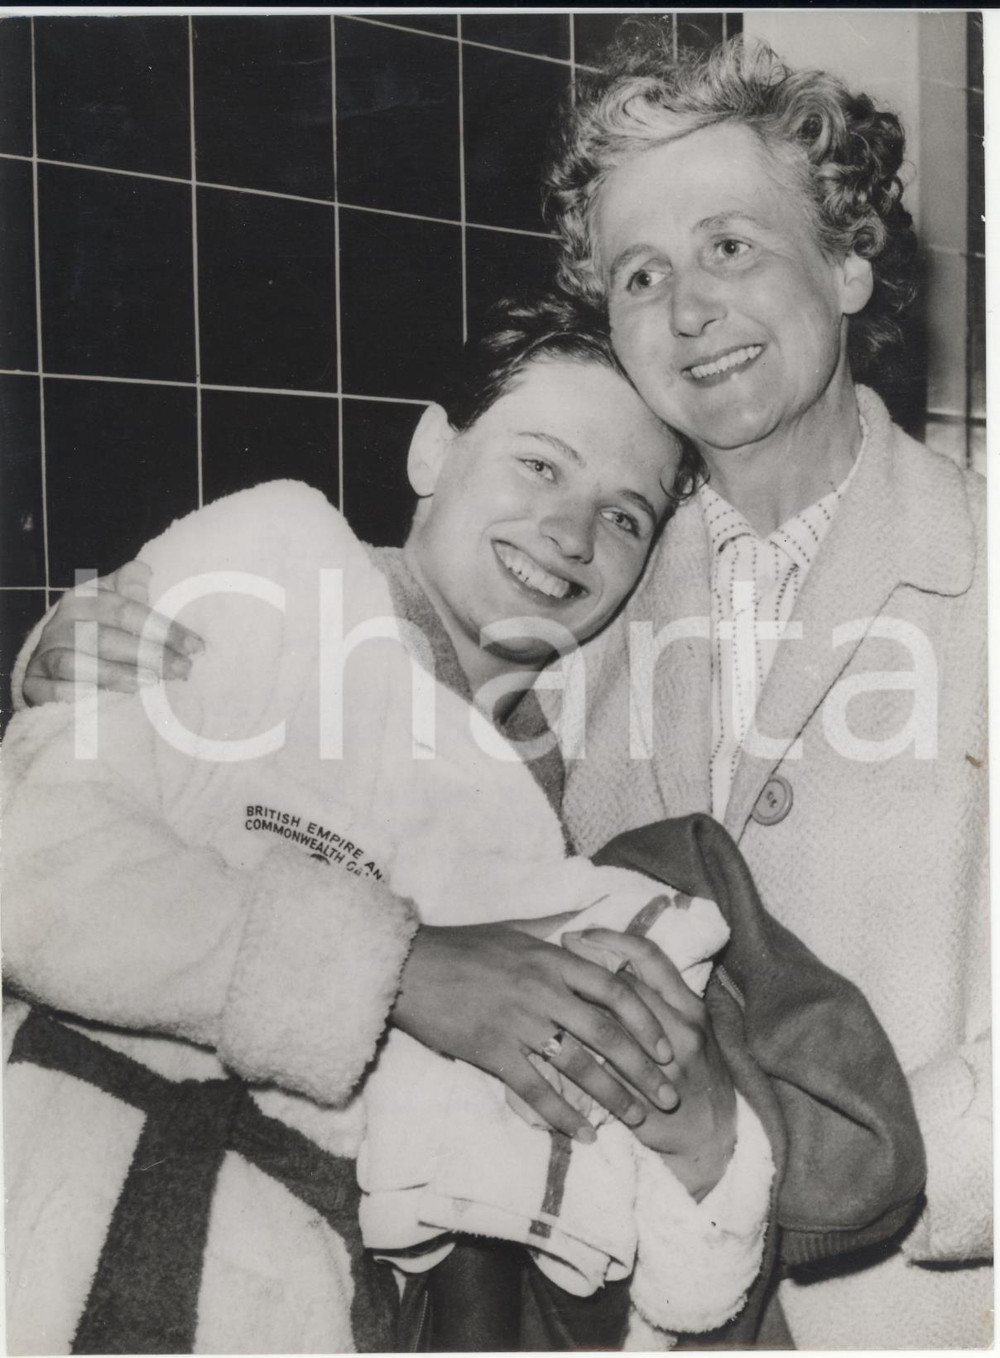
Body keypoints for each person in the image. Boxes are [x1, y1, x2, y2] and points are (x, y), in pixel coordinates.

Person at [4, 296, 927, 1354]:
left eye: (624, 516)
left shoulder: (544, 803)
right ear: (433, 449)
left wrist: (701, 1147)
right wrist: (401, 970)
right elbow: (32, 870)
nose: (570, 534)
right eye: (539, 464)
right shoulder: (279, 569)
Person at [540, 26, 990, 1349]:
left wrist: (783, 1158)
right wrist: (117, 642)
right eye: (640, 275)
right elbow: (366, 654)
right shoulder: (582, 596)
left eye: (729, 246)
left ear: (847, 262)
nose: (687, 310)